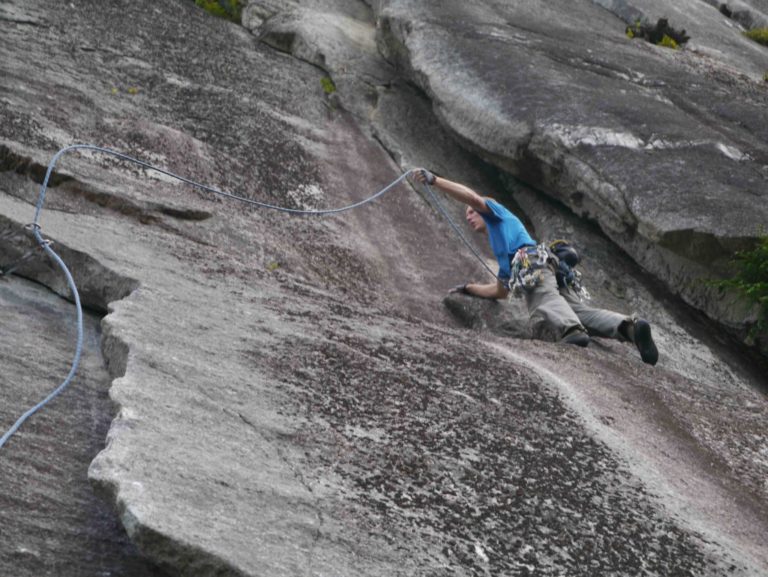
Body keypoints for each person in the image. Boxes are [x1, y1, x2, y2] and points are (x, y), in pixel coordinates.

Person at [415, 169, 659, 365]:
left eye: (471, 213)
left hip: (531, 264)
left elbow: (474, 198)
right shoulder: (503, 251)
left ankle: (571, 331)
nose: (469, 216)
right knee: (580, 312)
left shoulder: (497, 214)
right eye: (467, 214)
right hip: (547, 268)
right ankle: (630, 328)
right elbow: (500, 291)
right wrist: (469, 288)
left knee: (541, 299)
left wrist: (435, 180)